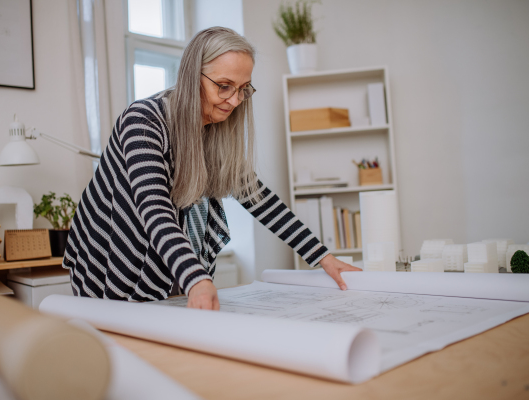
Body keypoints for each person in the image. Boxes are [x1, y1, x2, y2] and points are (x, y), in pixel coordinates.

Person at [63, 27, 361, 310]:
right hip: (110, 259)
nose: (234, 101)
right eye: (223, 86)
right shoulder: (143, 121)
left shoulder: (215, 131)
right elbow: (155, 210)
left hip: (168, 262)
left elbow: (260, 200)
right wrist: (196, 278)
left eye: (243, 89)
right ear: (193, 76)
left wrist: (323, 257)